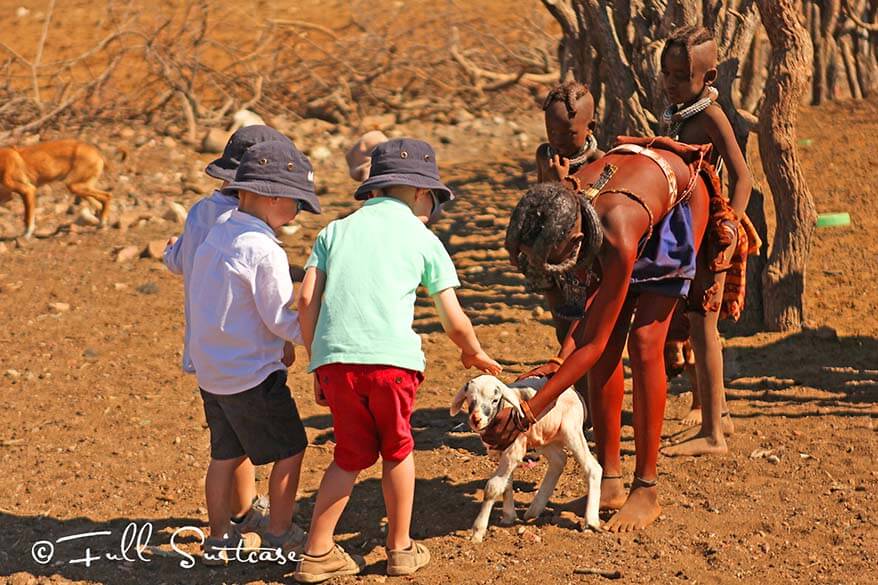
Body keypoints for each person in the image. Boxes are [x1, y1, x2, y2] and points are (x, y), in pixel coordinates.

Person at [294, 138, 501, 582]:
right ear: (423, 194)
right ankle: (400, 548)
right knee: (398, 450)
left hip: (337, 363)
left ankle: (315, 553)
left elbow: (307, 297)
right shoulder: (422, 238)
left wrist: (318, 361)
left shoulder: (335, 230)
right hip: (392, 365)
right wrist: (473, 351)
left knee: (347, 456)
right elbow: (453, 317)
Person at [485, 137, 713, 532]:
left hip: (679, 207)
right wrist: (560, 360)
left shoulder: (617, 234)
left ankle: (646, 488)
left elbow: (593, 338)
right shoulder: (565, 209)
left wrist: (532, 409)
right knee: (604, 357)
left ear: (574, 243)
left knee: (644, 344)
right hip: (631, 203)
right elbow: (592, 311)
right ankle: (609, 479)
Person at [188, 140, 321, 564]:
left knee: (224, 455)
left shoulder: (221, 227)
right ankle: (281, 531)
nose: (298, 213)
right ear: (272, 197)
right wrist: (318, 337)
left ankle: (219, 538)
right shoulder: (264, 250)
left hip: (213, 370)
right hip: (251, 374)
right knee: (291, 449)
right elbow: (281, 317)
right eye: (297, 203)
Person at [162, 125, 294, 540]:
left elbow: (181, 261)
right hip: (244, 351)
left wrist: (170, 250)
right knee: (268, 440)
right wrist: (292, 336)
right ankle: (257, 519)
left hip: (207, 348)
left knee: (228, 446)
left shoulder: (203, 212)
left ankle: (231, 521)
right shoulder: (245, 226)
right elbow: (266, 304)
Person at [657, 26, 759, 457]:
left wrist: (731, 226)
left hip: (712, 234)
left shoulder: (710, 117)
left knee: (705, 327)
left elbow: (744, 177)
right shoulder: (679, 113)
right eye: (666, 73)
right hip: (688, 232)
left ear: (709, 76)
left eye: (681, 76)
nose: (671, 82)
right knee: (697, 326)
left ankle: (712, 434)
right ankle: (721, 415)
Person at [535, 79, 604, 186]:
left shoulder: (599, 162)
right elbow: (536, 198)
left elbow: (598, 202)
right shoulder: (544, 155)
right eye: (552, 132)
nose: (558, 141)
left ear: (590, 127)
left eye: (568, 134)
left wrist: (561, 182)